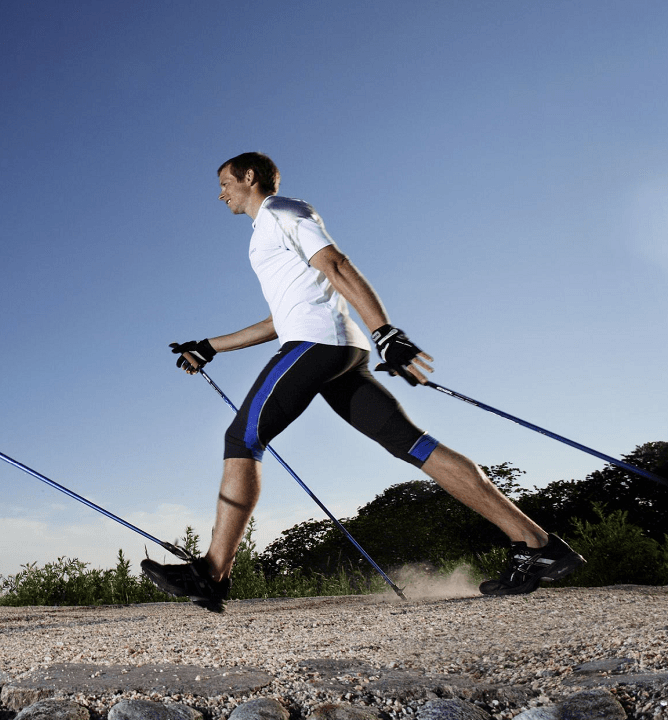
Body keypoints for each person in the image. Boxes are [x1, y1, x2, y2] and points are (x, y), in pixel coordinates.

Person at [144, 152, 584, 611]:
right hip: (335, 349)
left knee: (242, 437)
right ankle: (539, 547)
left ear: (248, 177)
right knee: (412, 444)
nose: (220, 193)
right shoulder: (267, 233)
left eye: (224, 183)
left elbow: (336, 264)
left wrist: (386, 332)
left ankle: (212, 573)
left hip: (318, 345)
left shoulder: (282, 211)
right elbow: (280, 320)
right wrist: (210, 345)